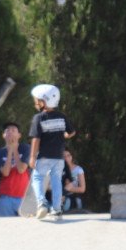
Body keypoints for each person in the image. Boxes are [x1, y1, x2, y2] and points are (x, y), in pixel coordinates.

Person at [28, 84, 75, 220]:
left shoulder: (39, 118)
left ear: (44, 101)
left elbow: (36, 139)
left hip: (44, 156)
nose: (35, 102)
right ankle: (57, 209)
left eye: (37, 99)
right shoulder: (62, 116)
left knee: (37, 178)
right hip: (59, 157)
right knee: (56, 181)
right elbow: (72, 132)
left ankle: (42, 203)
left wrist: (32, 156)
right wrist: (64, 136)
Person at [0, 122, 31, 217]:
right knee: (7, 228)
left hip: (24, 196)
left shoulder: (25, 148)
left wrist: (15, 149)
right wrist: (10, 150)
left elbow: (21, 169)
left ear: (19, 135)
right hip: (6, 197)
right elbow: (5, 173)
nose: (10, 132)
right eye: (7, 130)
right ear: (3, 135)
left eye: (13, 130)